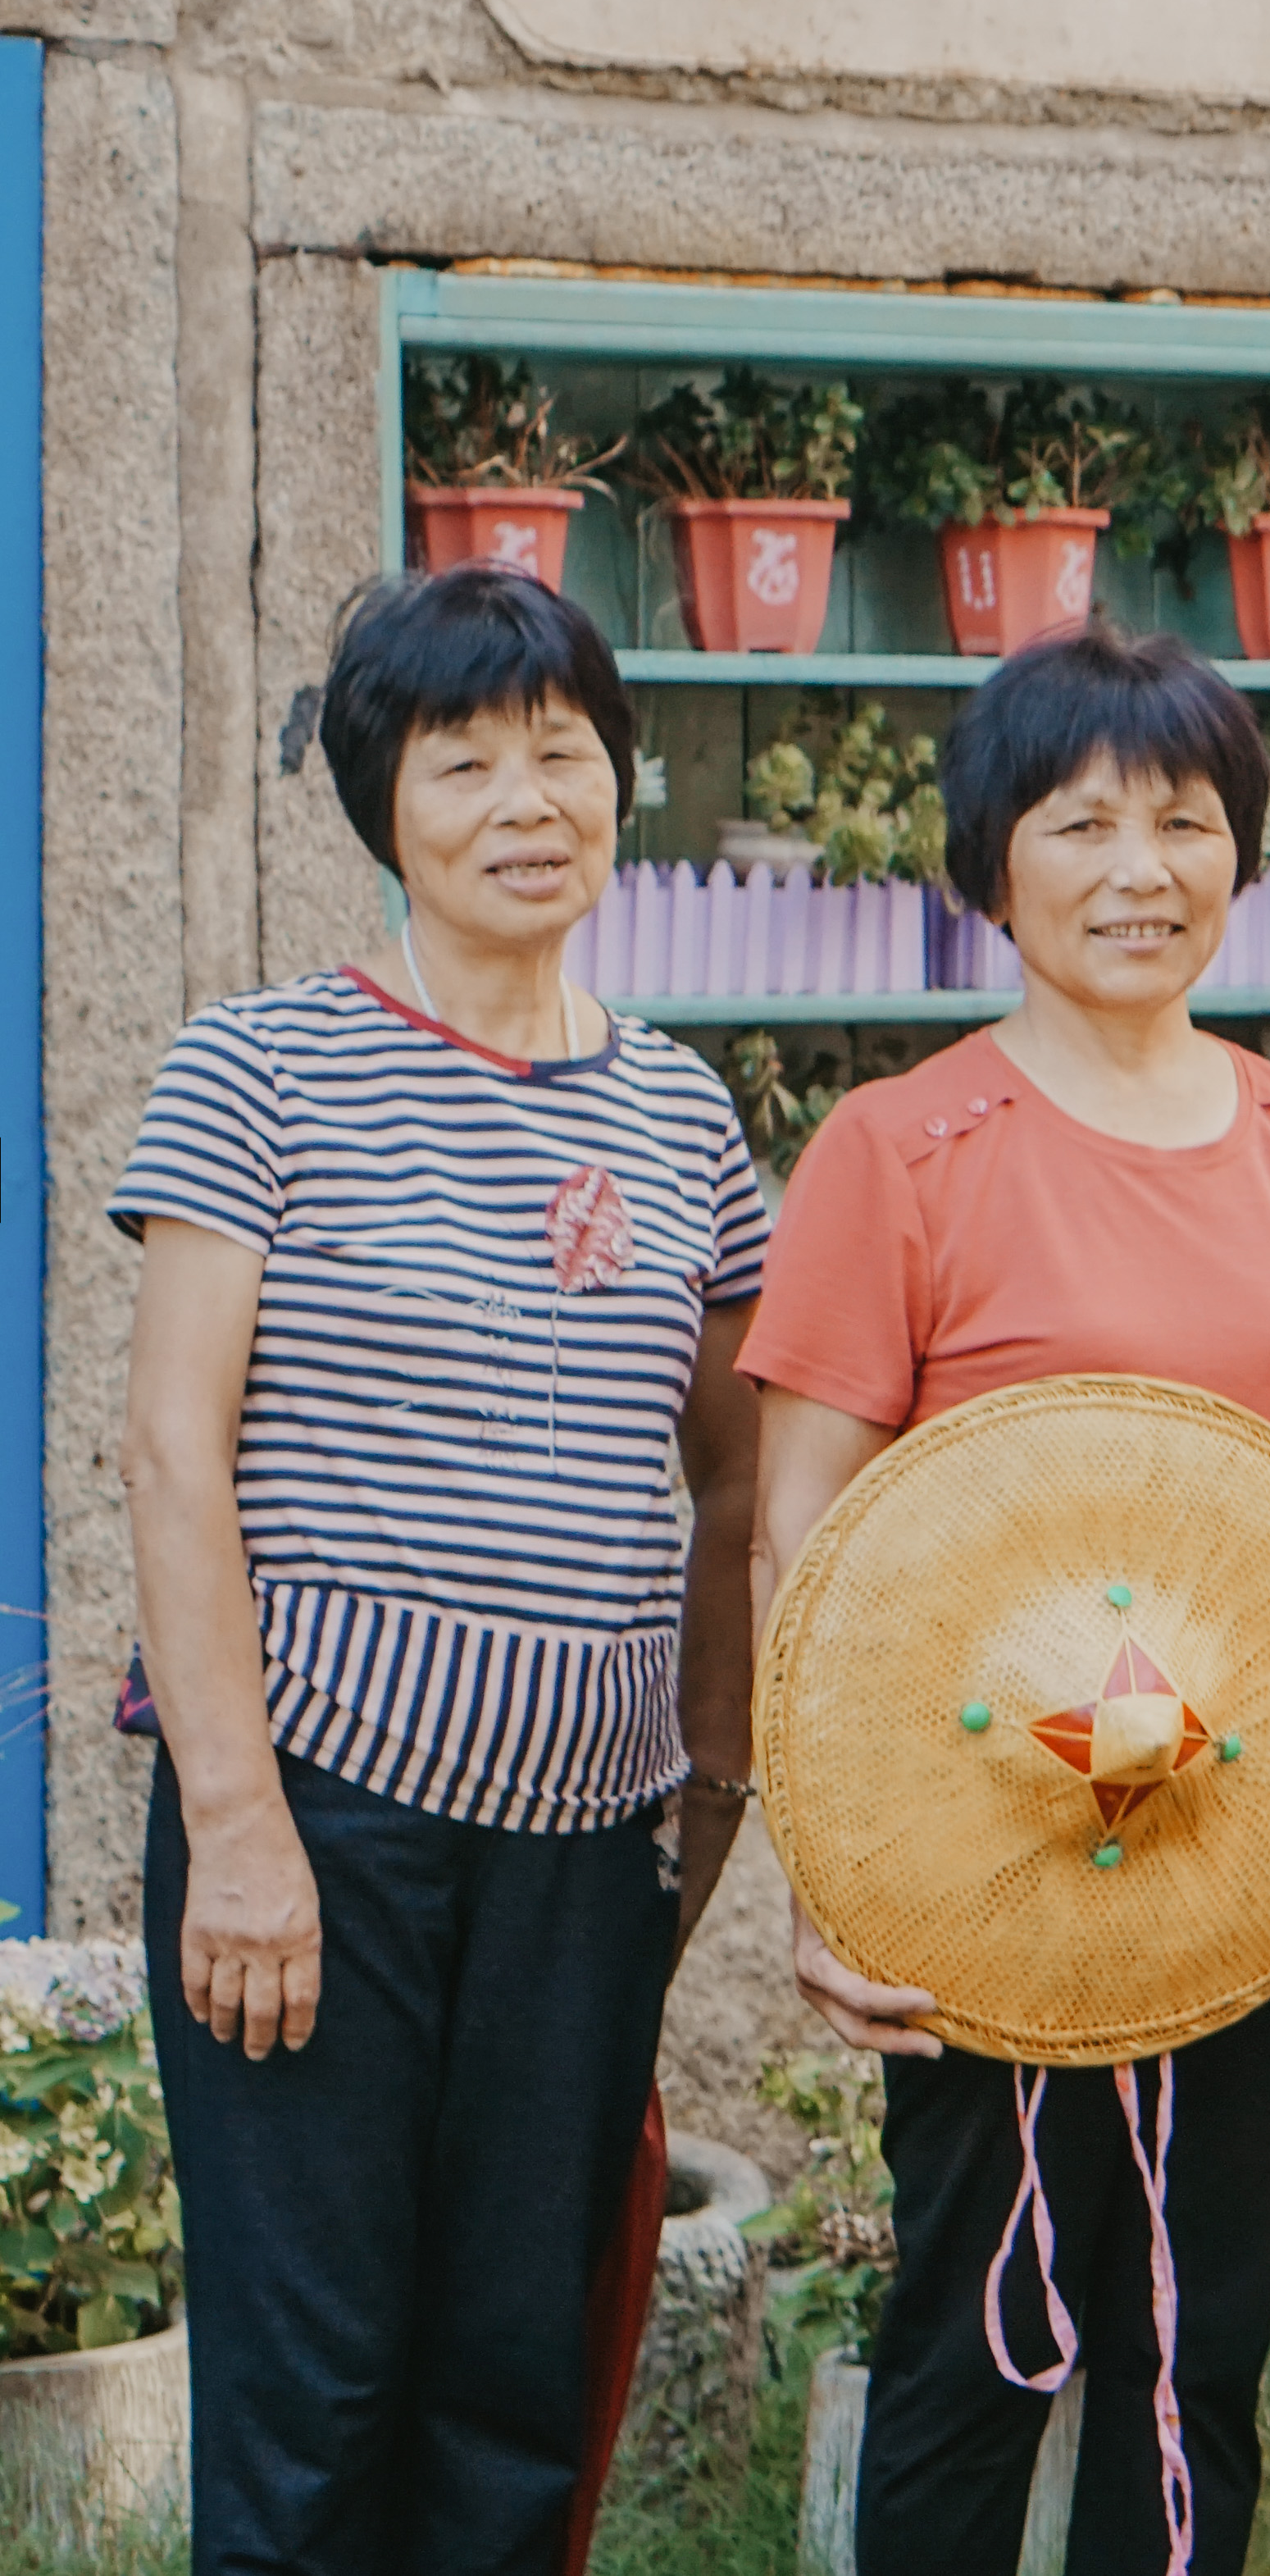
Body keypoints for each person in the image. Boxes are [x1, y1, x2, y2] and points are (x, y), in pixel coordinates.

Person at [741, 629, 1270, 2576]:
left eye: (1184, 820)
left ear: (1240, 857)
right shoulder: (899, 1152)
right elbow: (797, 1532)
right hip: (979, 1846)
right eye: (1080, 821)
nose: (1139, 865)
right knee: (978, 2344)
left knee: (1196, 2349)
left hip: (1264, 1840)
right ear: (992, 865)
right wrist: (827, 1868)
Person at [115, 566, 767, 2569]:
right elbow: (169, 1449)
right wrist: (235, 1827)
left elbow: (734, 1489)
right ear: (384, 803)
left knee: (511, 2391)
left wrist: (711, 1799)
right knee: (314, 2399)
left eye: (560, 751)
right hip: (321, 1828)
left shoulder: (683, 1118)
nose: (522, 799)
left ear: (620, 781)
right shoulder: (263, 1072)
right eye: (462, 758)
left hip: (583, 1845)